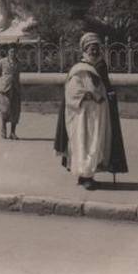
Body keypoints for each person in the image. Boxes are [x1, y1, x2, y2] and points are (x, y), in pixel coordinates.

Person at [53, 32, 124, 190]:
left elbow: (105, 86)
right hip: (83, 115)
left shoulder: (99, 67)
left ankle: (87, 175)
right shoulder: (79, 69)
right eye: (92, 48)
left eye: (97, 48)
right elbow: (72, 92)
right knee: (83, 144)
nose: (95, 51)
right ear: (85, 50)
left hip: (98, 114)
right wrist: (90, 95)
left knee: (95, 143)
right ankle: (85, 177)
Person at [0, 44, 22, 140]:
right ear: (8, 52)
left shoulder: (18, 62)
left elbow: (18, 76)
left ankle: (13, 132)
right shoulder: (2, 61)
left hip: (15, 88)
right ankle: (3, 128)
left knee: (15, 110)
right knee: (5, 110)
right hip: (4, 88)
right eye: (11, 51)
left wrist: (19, 88)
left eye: (14, 52)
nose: (13, 54)